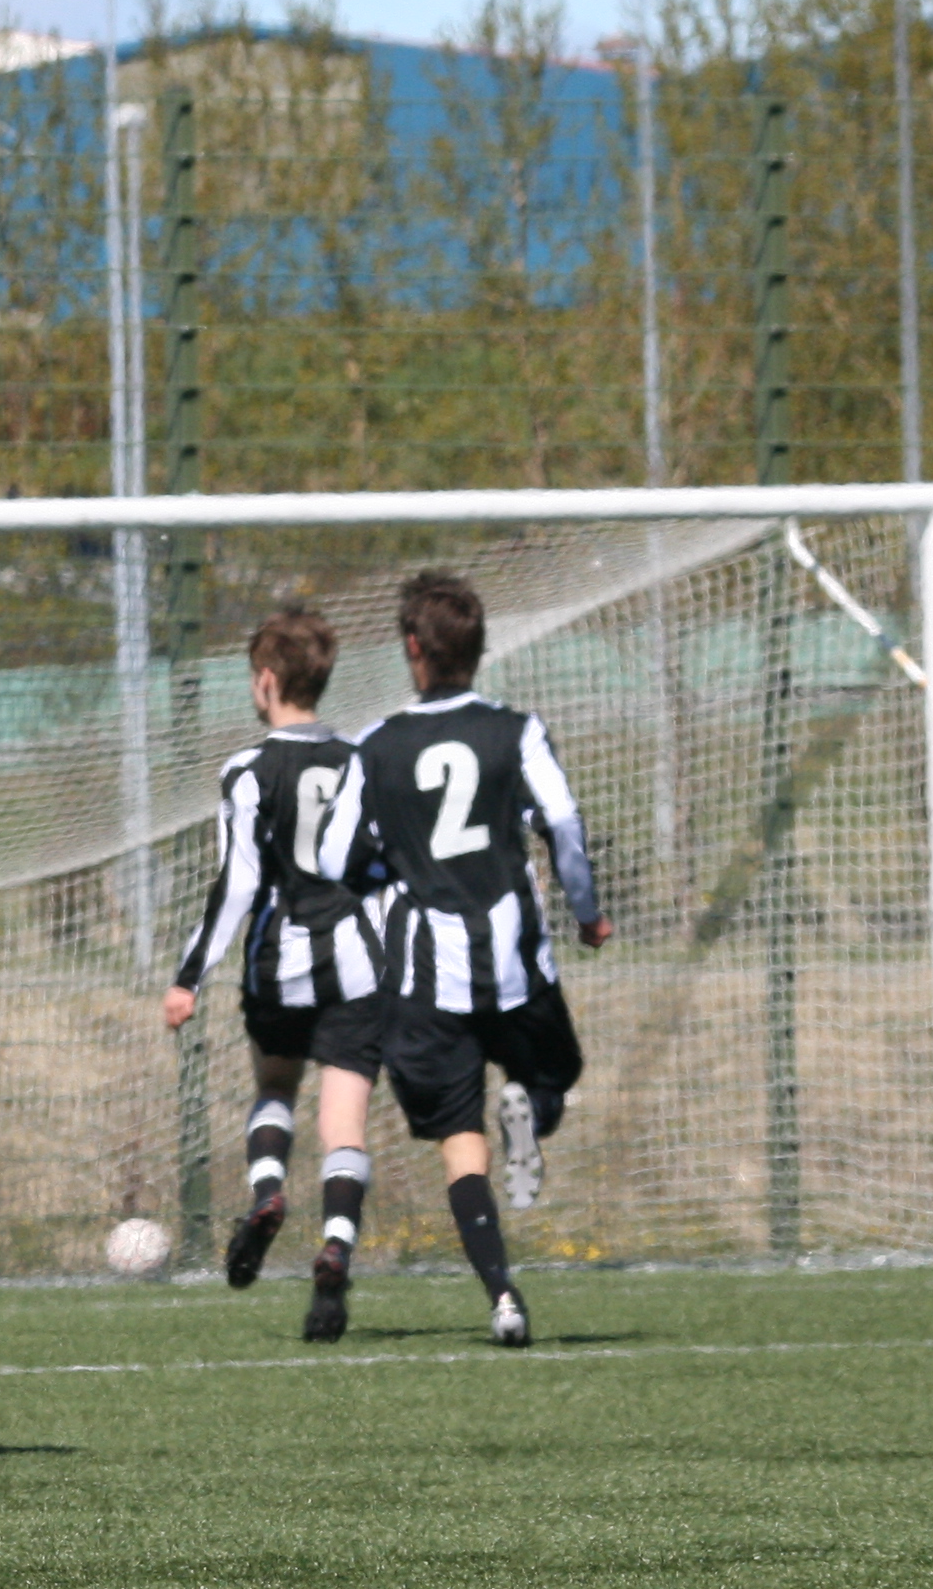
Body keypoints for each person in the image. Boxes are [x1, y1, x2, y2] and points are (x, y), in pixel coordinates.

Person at [310, 567, 608, 1349]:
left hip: (426, 977)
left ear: (412, 648)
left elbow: (335, 856)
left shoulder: (376, 745)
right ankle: (532, 1105)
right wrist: (588, 912)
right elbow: (562, 822)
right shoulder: (517, 730)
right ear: (478, 648)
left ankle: (503, 1298)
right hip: (514, 961)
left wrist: (387, 866)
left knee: (459, 1142)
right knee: (554, 1075)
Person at [163, 604, 390, 1339]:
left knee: (274, 1087)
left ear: (265, 681)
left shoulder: (247, 770)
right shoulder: (361, 762)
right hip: (356, 963)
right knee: (345, 1119)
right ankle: (337, 1246)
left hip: (279, 963)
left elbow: (237, 884)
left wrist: (189, 977)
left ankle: (267, 1193)